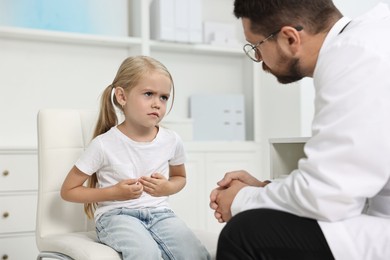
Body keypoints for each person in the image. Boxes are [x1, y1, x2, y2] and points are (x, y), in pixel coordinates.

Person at [209, 0, 390, 259]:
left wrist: (241, 200)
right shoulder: (368, 40)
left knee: (245, 233)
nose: (258, 60)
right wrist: (264, 191)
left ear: (289, 39)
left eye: (257, 46)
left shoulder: (353, 57)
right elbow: (347, 181)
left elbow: (328, 197)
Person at [61, 56, 210, 260]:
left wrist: (167, 187)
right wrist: (113, 192)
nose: (157, 104)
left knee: (194, 254)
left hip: (161, 214)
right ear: (122, 96)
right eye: (148, 94)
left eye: (164, 97)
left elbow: (180, 177)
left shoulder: (171, 139)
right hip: (117, 216)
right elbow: (69, 191)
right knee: (146, 254)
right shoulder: (104, 144)